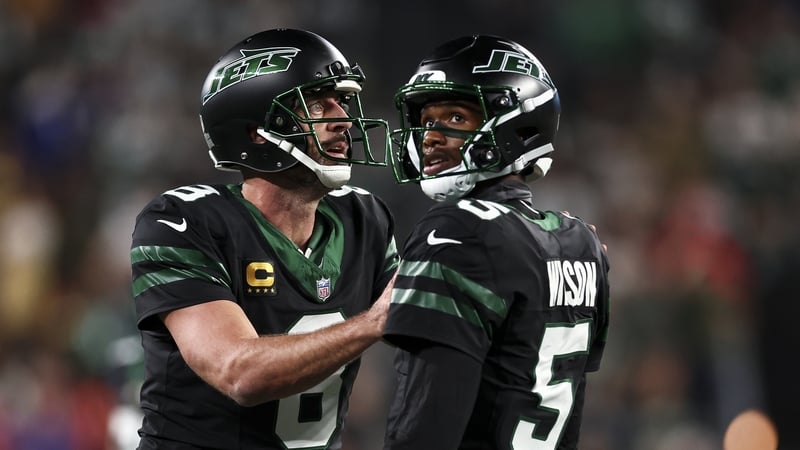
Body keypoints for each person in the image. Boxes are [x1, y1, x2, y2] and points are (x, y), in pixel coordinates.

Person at [129, 28, 398, 449]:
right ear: (257, 131)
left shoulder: (365, 218)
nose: (343, 118)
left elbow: (426, 332)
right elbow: (239, 373)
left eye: (342, 101)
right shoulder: (182, 220)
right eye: (318, 103)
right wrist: (374, 322)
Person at [382, 35, 611, 449]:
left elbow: (425, 426)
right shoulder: (582, 241)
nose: (430, 137)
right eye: (426, 120)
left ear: (517, 122)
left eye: (454, 118)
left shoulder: (456, 230)